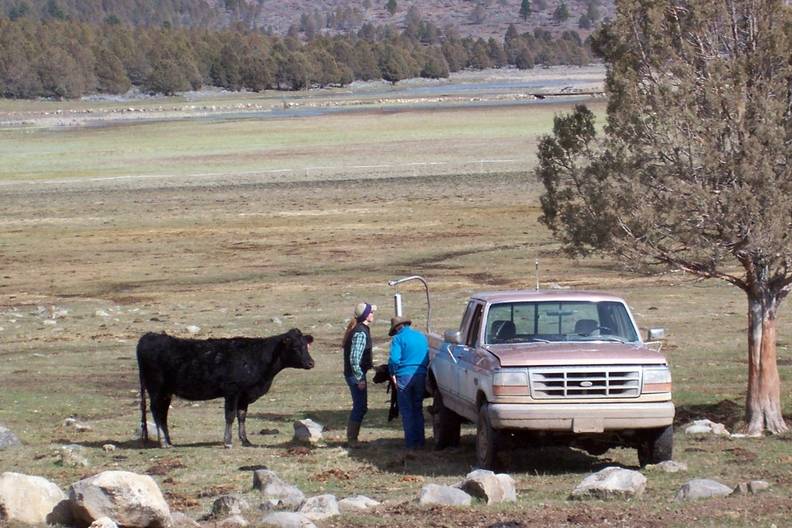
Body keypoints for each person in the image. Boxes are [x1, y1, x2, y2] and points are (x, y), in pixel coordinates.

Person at [388, 315, 429, 449]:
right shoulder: (421, 336)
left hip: (404, 376)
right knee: (417, 408)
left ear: (397, 328)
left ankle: (411, 443)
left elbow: (394, 359)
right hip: (421, 374)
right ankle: (421, 441)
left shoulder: (398, 339)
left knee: (406, 410)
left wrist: (392, 372)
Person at [342, 302, 376, 445]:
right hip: (355, 375)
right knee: (360, 406)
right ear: (366, 315)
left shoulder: (358, 329)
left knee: (360, 406)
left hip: (354, 373)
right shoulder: (361, 332)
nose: (373, 314)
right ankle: (352, 439)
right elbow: (355, 359)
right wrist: (359, 378)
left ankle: (352, 438)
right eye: (371, 312)